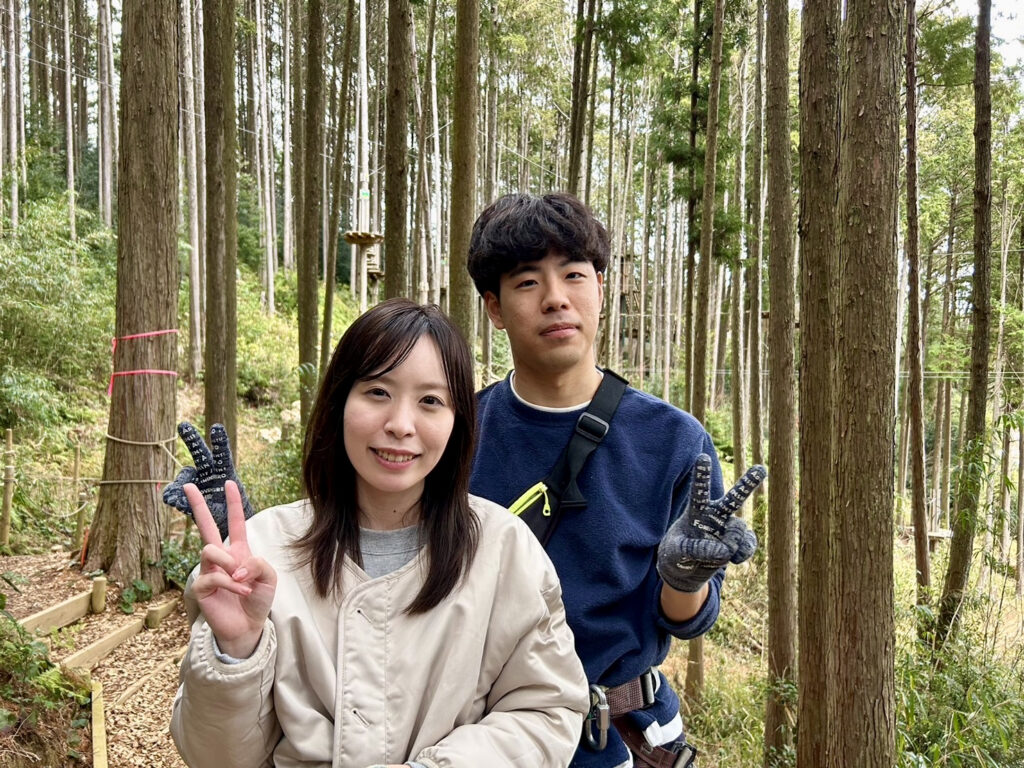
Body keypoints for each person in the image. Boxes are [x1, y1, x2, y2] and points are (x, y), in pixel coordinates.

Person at [167, 299, 589, 768]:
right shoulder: (263, 553)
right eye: (378, 392)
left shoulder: (505, 551)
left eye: (431, 401)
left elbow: (545, 712)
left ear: (457, 421)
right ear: (340, 402)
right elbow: (214, 757)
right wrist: (236, 653)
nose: (400, 425)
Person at [465, 191, 765, 768]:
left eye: (574, 275)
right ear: (495, 308)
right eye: (527, 282)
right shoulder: (457, 434)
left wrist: (684, 576)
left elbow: (684, 617)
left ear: (600, 288)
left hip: (624, 735)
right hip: (488, 737)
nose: (556, 298)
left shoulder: (673, 441)